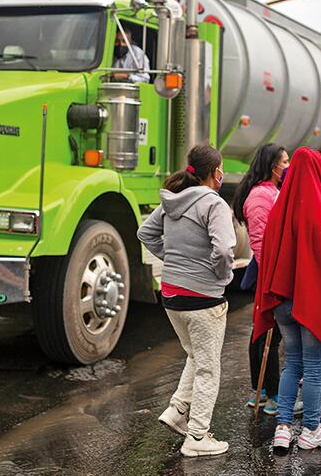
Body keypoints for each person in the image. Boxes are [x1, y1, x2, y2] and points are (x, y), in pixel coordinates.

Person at [253, 147, 321, 452]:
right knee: (315, 367)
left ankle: (283, 428)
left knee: (292, 362)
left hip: (282, 303)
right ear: (317, 173)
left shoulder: (279, 210)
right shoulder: (318, 212)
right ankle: (311, 429)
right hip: (309, 303)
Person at [137, 144, 235, 457]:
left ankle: (178, 411)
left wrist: (173, 259)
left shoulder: (172, 200)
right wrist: (220, 276)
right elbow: (222, 251)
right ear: (217, 173)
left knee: (195, 355)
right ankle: (196, 437)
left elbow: (146, 233)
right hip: (203, 298)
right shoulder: (214, 205)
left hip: (172, 294)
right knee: (209, 368)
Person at [232, 144, 290, 415]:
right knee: (267, 333)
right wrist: (273, 278)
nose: (287, 167)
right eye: (284, 162)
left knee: (265, 332)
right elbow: (260, 244)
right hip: (269, 275)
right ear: (271, 166)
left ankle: (264, 391)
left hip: (272, 273)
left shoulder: (271, 192)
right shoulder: (260, 197)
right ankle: (271, 395)